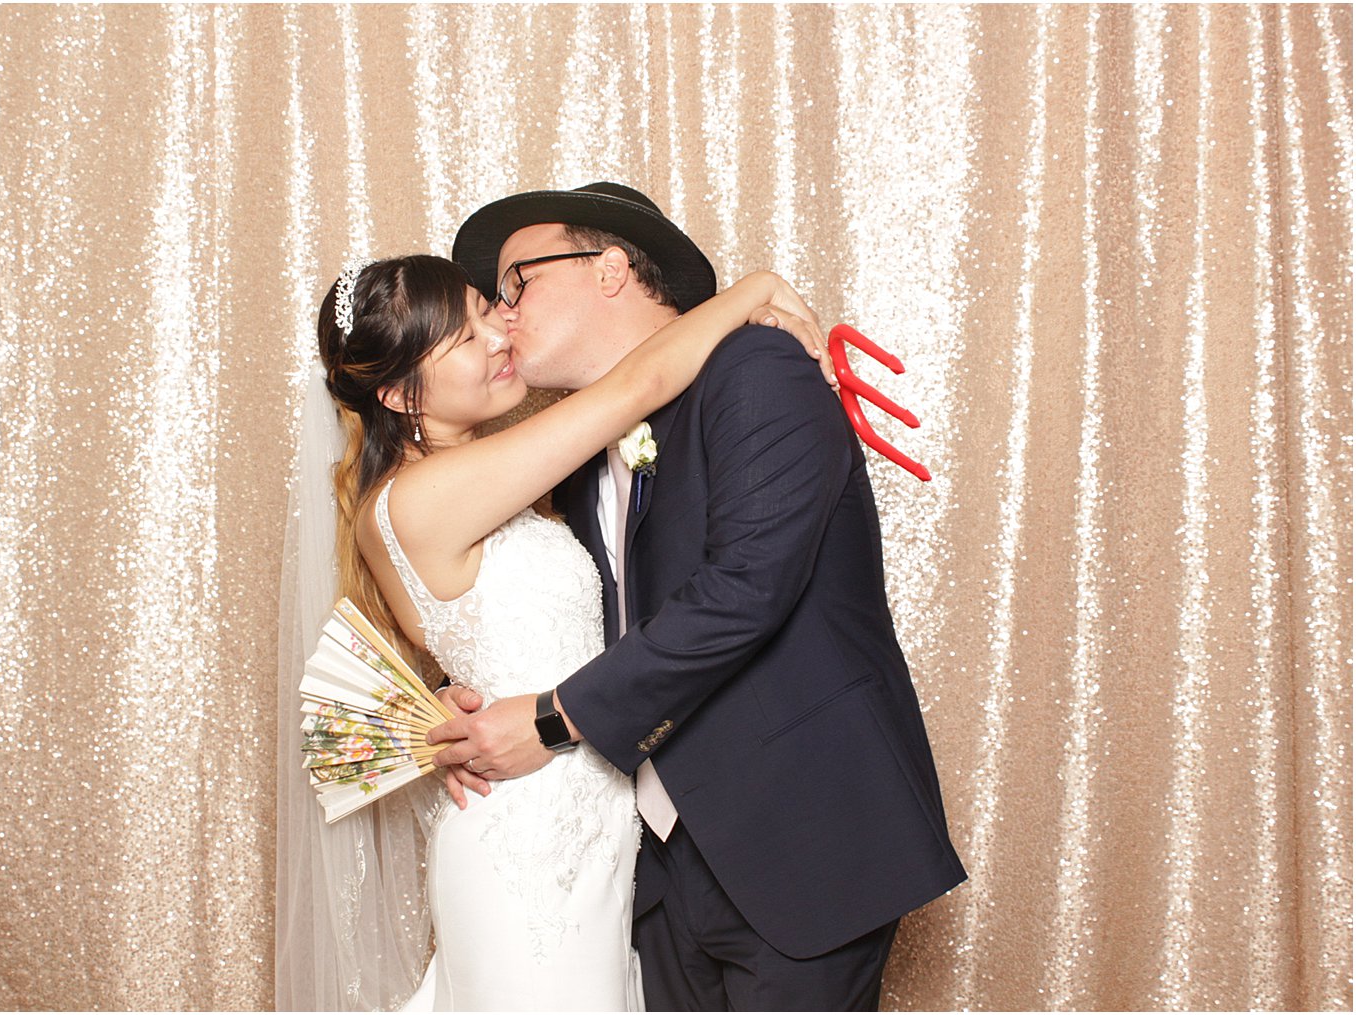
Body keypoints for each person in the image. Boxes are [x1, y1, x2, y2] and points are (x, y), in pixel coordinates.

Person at [432, 182, 968, 1011]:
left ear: (609, 267)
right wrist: (454, 692)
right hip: (653, 864)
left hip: (801, 834)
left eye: (517, 283)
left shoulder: (756, 368)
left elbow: (747, 588)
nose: (503, 317)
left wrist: (549, 721)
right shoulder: (574, 453)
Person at [312, 250, 833, 1011]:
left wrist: (454, 703)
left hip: (597, 834)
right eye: (462, 338)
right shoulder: (421, 497)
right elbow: (636, 386)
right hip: (526, 850)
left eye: (485, 307)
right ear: (397, 392)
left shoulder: (486, 481)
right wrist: (757, 287)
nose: (499, 334)